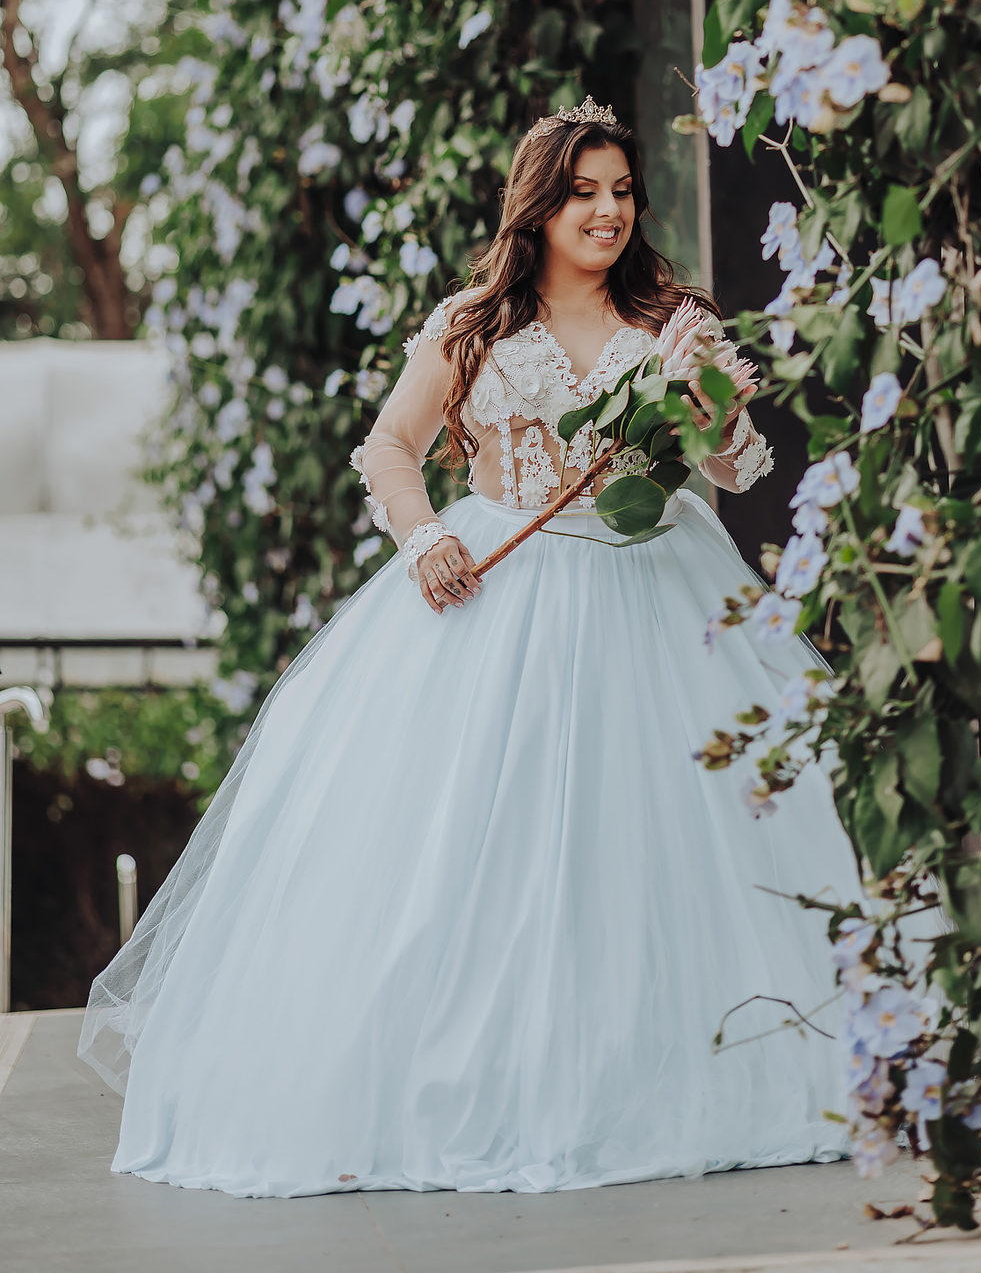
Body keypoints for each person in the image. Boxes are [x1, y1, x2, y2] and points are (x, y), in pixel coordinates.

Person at [79, 100, 859, 1199]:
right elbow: (391, 446)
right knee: (494, 848)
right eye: (584, 192)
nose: (607, 211)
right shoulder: (474, 323)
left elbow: (735, 470)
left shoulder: (675, 314)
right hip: (508, 585)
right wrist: (427, 533)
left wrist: (702, 385)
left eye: (622, 191)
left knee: (669, 837)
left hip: (663, 590)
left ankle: (700, 1066)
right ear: (537, 206)